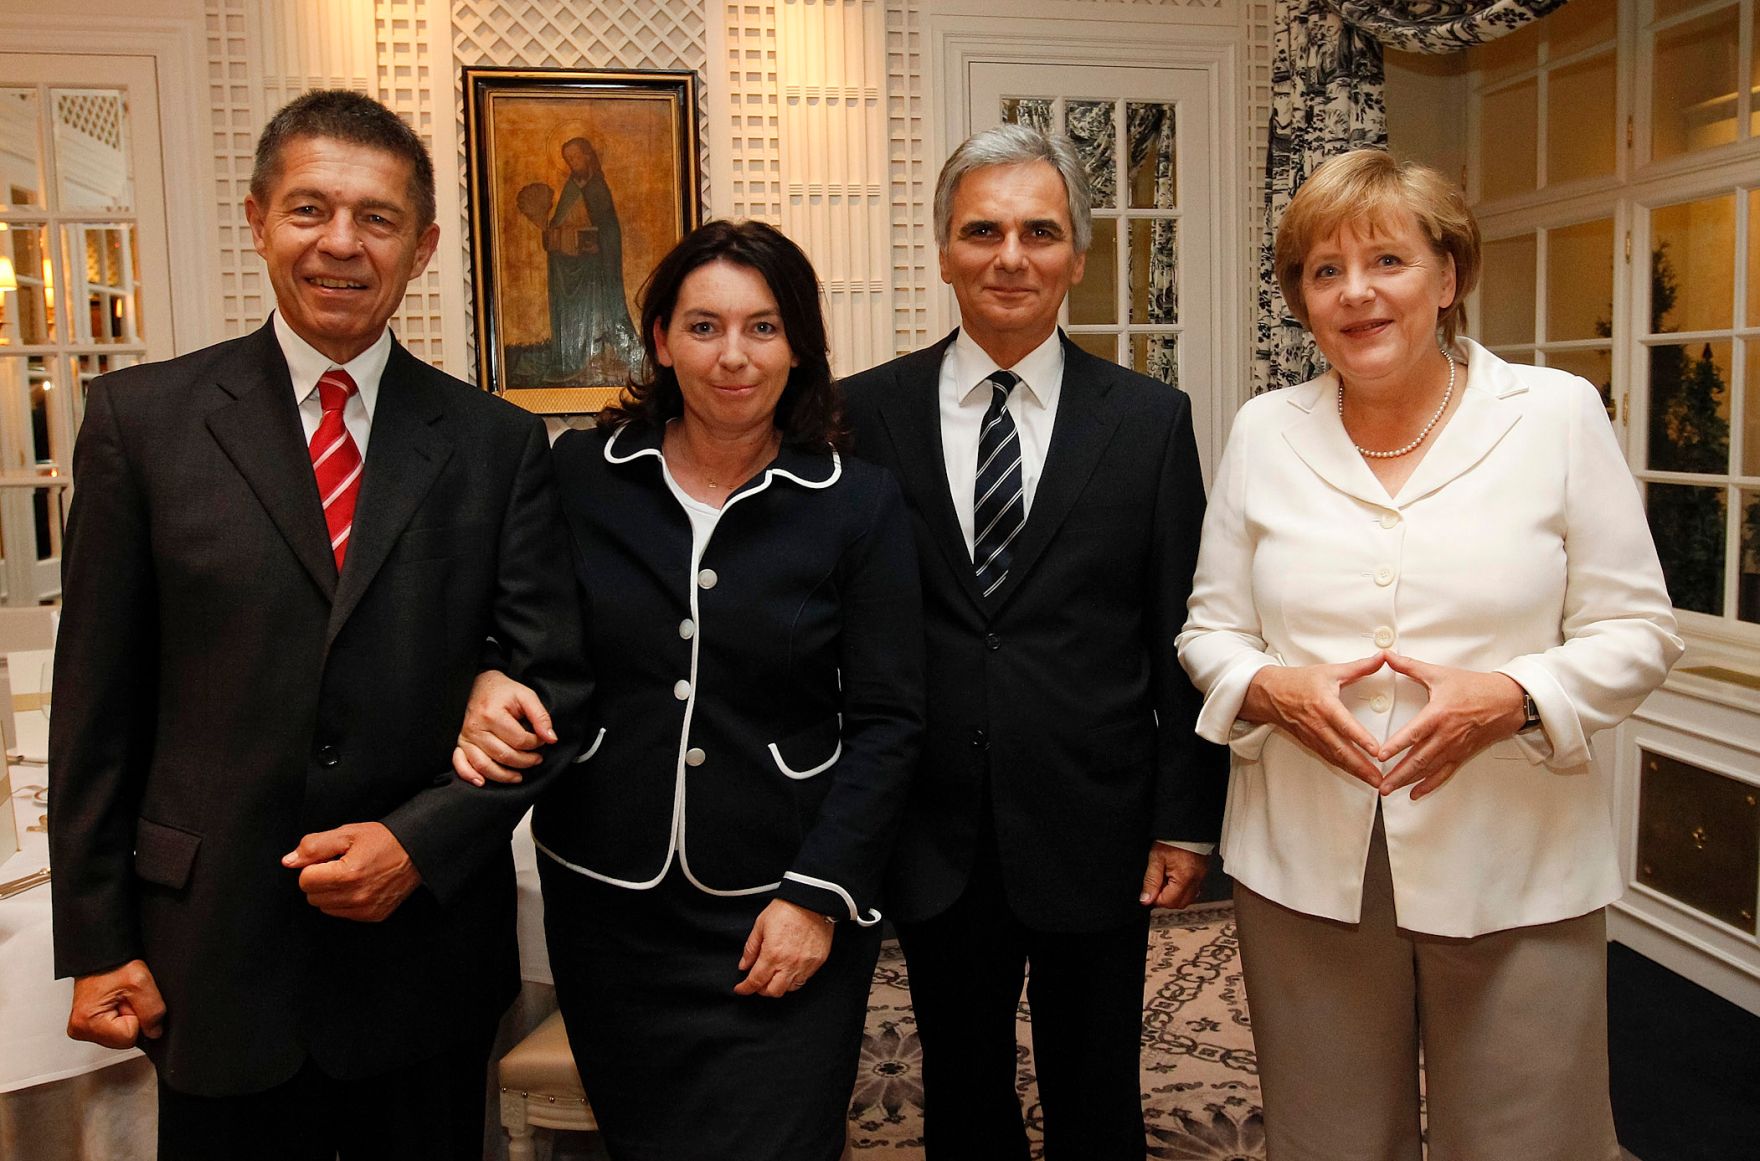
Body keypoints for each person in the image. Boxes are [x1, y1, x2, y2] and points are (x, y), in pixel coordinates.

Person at [48, 90, 592, 1161]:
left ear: (421, 246)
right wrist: (97, 941)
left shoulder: (496, 444)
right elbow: (94, 709)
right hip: (211, 959)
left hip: (421, 963)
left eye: (377, 218)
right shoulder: (140, 424)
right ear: (258, 220)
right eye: (309, 209)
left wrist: (416, 841)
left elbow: (554, 685)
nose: (341, 243)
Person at [1176, 148, 1683, 1160]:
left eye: (1387, 261)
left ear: (1447, 277)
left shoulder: (1553, 413)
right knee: (1330, 1139)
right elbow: (1208, 630)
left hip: (1514, 850)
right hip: (1306, 859)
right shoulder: (1264, 430)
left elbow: (1639, 630)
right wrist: (1268, 688)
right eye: (1324, 271)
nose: (1355, 292)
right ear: (1302, 300)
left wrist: (1515, 695)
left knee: (1525, 1138)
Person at [455, 219, 925, 1161]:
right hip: (609, 904)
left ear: (799, 345)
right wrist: (485, 673)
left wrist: (818, 896)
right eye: (704, 326)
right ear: (662, 340)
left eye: (762, 327)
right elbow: (518, 630)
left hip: (781, 902)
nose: (733, 355)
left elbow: (889, 719)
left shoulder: (857, 500)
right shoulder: (580, 474)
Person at [836, 124, 1226, 1160]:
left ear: (1076, 257)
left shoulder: (1148, 420)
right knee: (960, 1087)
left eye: (1039, 232)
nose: (1010, 257)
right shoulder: (863, 414)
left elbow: (1182, 629)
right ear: (944, 251)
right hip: (932, 824)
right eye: (983, 231)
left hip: (1096, 820)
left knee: (1096, 1089)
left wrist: (1187, 821)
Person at [515, 134, 641, 386]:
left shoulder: (597, 188)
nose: (572, 162)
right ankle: (570, 355)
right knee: (570, 312)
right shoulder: (571, 187)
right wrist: (553, 237)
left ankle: (602, 354)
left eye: (575, 157)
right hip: (566, 265)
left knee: (599, 306)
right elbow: (557, 221)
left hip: (594, 266)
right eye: (568, 159)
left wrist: (598, 244)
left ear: (588, 155)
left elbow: (609, 229)